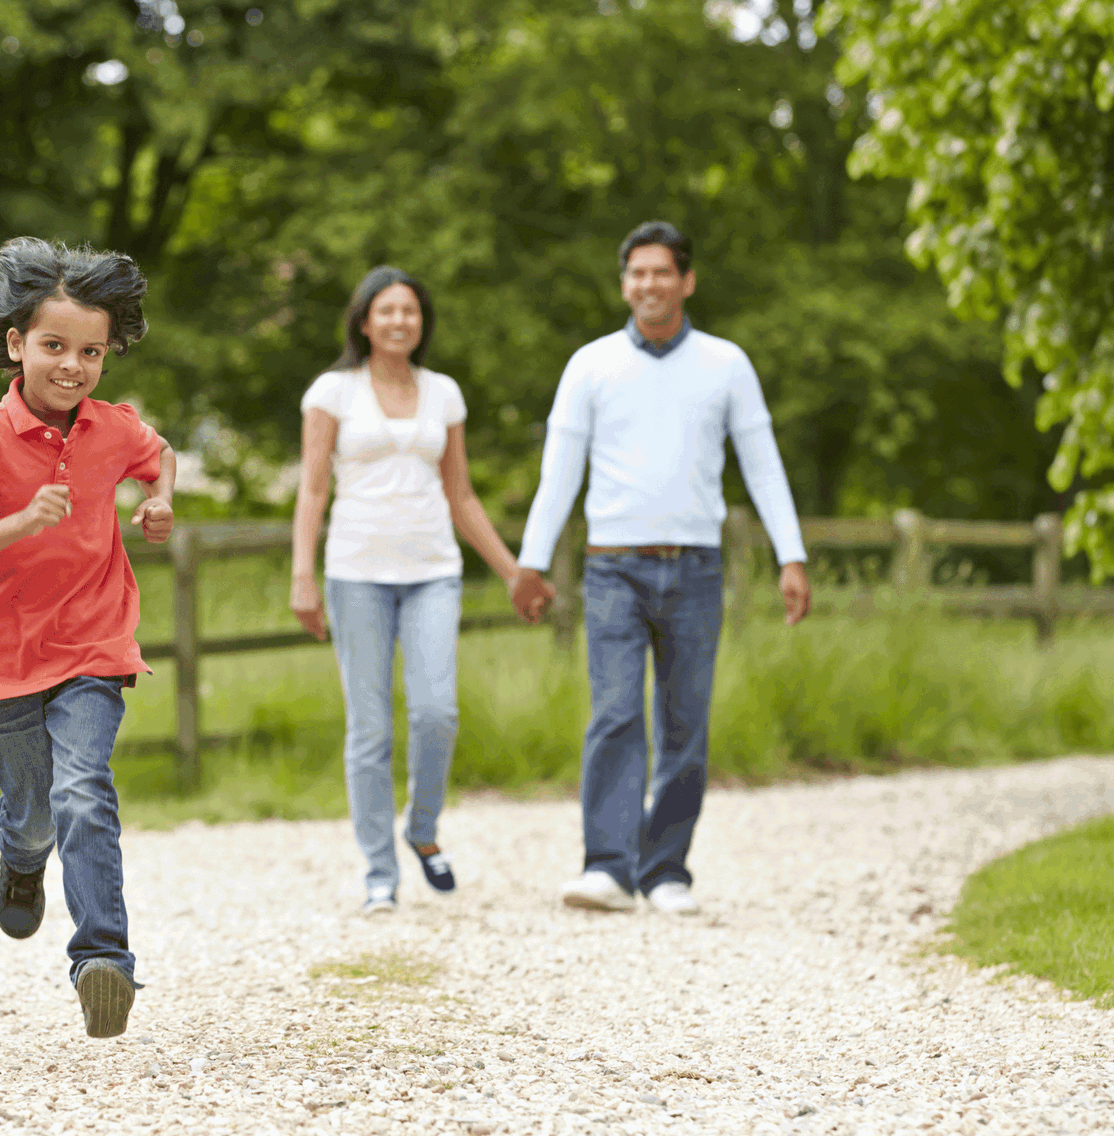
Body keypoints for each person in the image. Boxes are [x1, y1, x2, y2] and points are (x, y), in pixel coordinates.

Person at [511, 221, 811, 917]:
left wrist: (790, 554)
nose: (649, 284)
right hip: (612, 566)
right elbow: (558, 475)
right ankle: (608, 867)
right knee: (615, 713)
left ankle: (666, 868)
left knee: (684, 721)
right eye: (636, 273)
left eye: (661, 272)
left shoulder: (725, 364)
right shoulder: (589, 366)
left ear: (687, 280)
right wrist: (530, 562)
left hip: (696, 569)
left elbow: (762, 465)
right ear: (624, 283)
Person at [0, 238, 175, 1040]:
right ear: (16, 343)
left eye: (91, 351)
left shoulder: (112, 427)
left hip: (96, 647)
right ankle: (21, 860)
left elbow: (159, 454)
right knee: (34, 812)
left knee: (83, 791)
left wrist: (160, 499)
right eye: (55, 346)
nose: (73, 365)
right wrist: (19, 523)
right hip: (4, 659)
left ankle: (104, 960)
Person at [289, 267, 551, 915]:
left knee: (437, 711)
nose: (400, 321)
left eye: (410, 310)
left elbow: (460, 493)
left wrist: (514, 570)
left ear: (422, 321)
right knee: (370, 728)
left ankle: (423, 828)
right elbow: (313, 488)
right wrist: (301, 573)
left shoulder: (445, 394)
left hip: (434, 568)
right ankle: (380, 869)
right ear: (364, 320)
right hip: (357, 572)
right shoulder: (333, 391)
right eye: (387, 310)